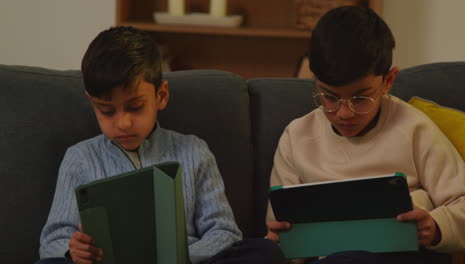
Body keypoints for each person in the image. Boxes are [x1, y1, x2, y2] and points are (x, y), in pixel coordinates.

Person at [36, 26, 284, 264]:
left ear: (161, 95)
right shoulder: (80, 158)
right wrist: (73, 251)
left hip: (185, 261)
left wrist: (180, 257)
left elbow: (224, 232)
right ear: (93, 104)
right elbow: (52, 241)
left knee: (264, 252)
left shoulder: (194, 152)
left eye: (135, 107)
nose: (122, 123)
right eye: (106, 111)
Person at [265, 6, 465, 264]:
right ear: (315, 82)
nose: (344, 114)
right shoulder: (296, 137)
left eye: (360, 98)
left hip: (404, 255)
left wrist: (436, 226)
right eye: (330, 97)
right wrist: (280, 240)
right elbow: (279, 224)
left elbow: (463, 202)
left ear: (389, 80)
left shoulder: (414, 128)